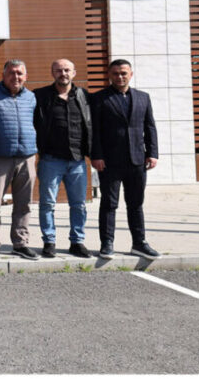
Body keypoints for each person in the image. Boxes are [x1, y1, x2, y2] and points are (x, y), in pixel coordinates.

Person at [90, 59, 160, 260]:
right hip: (109, 161)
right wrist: (96, 155)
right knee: (109, 203)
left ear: (131, 74)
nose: (120, 77)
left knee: (136, 203)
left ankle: (139, 243)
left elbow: (150, 127)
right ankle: (107, 243)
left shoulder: (143, 97)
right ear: (109, 75)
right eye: (115, 73)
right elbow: (94, 130)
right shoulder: (99, 98)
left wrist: (153, 153)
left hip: (137, 160)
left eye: (123, 73)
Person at [33, 58, 93, 259]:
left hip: (77, 161)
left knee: (79, 204)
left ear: (74, 73)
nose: (63, 74)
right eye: (59, 70)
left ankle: (77, 241)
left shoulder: (84, 96)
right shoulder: (40, 96)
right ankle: (49, 241)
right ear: (53, 73)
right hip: (50, 160)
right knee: (47, 204)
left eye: (67, 70)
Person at [0, 59, 39, 260]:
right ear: (3, 75)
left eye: (19, 73)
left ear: (26, 76)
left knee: (24, 204)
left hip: (27, 157)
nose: (16, 77)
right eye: (11, 73)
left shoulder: (31, 97)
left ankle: (20, 243)